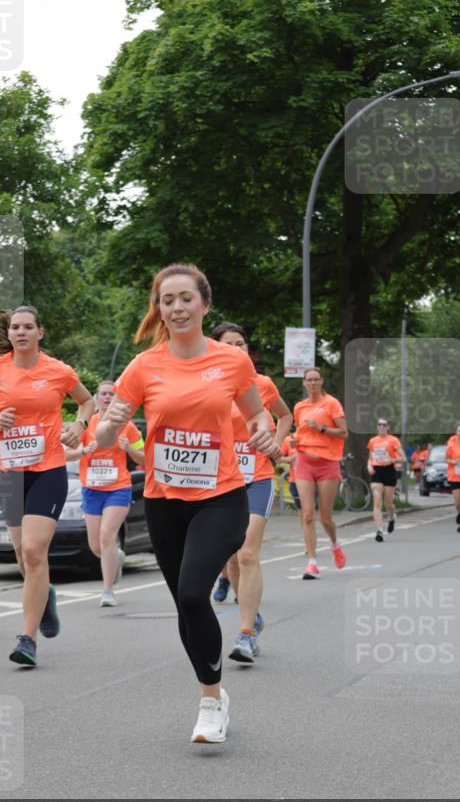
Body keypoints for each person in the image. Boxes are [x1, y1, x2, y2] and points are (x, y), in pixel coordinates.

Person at [96, 264, 273, 744]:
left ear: (204, 304)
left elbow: (258, 416)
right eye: (166, 300)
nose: (176, 308)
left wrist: (264, 436)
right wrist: (109, 426)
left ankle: (210, 700)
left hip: (220, 497)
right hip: (163, 501)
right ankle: (214, 690)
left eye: (185, 299)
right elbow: (105, 434)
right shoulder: (144, 366)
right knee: (185, 605)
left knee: (195, 592)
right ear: (159, 308)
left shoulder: (233, 362)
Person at [0, 306, 94, 667]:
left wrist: (79, 426)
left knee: (35, 552)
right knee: (24, 556)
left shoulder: (57, 370)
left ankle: (27, 639)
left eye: (27, 327)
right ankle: (46, 594)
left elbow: (86, 400)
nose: (20, 332)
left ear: (41, 332)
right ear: (9, 335)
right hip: (10, 473)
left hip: (48, 469)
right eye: (15, 328)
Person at [211, 322, 292, 664]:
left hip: (257, 476)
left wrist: (276, 442)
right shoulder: (209, 387)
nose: (237, 350)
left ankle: (246, 634)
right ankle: (251, 610)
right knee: (230, 555)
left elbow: (285, 416)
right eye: (230, 345)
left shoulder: (262, 384)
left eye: (241, 344)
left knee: (247, 553)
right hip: (220, 480)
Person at [65, 380, 144, 607]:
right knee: (96, 546)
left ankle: (107, 590)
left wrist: (128, 448)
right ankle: (115, 557)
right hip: (91, 489)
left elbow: (145, 458)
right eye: (104, 394)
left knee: (107, 536)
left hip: (118, 487)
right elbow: (64, 455)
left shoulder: (128, 426)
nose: (108, 398)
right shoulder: (86, 424)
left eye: (112, 394)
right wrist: (82, 450)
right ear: (97, 398)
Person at [293, 367, 348, 578]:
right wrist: (293, 440)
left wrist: (321, 428)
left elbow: (344, 433)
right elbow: (300, 431)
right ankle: (312, 563)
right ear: (304, 383)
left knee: (325, 518)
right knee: (307, 515)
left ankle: (335, 544)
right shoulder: (299, 407)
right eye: (309, 380)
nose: (313, 383)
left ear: (321, 382)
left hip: (327, 463)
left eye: (316, 379)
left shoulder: (331, 404)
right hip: (304, 462)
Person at [366, 419, 406, 542]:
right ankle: (379, 530)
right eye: (379, 425)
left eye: (384, 425)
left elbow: (403, 458)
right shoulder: (373, 441)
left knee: (388, 503)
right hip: (376, 472)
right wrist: (369, 466)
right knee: (377, 501)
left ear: (388, 427)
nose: (381, 427)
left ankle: (392, 516)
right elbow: (370, 457)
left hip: (389, 471)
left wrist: (392, 460)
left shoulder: (393, 440)